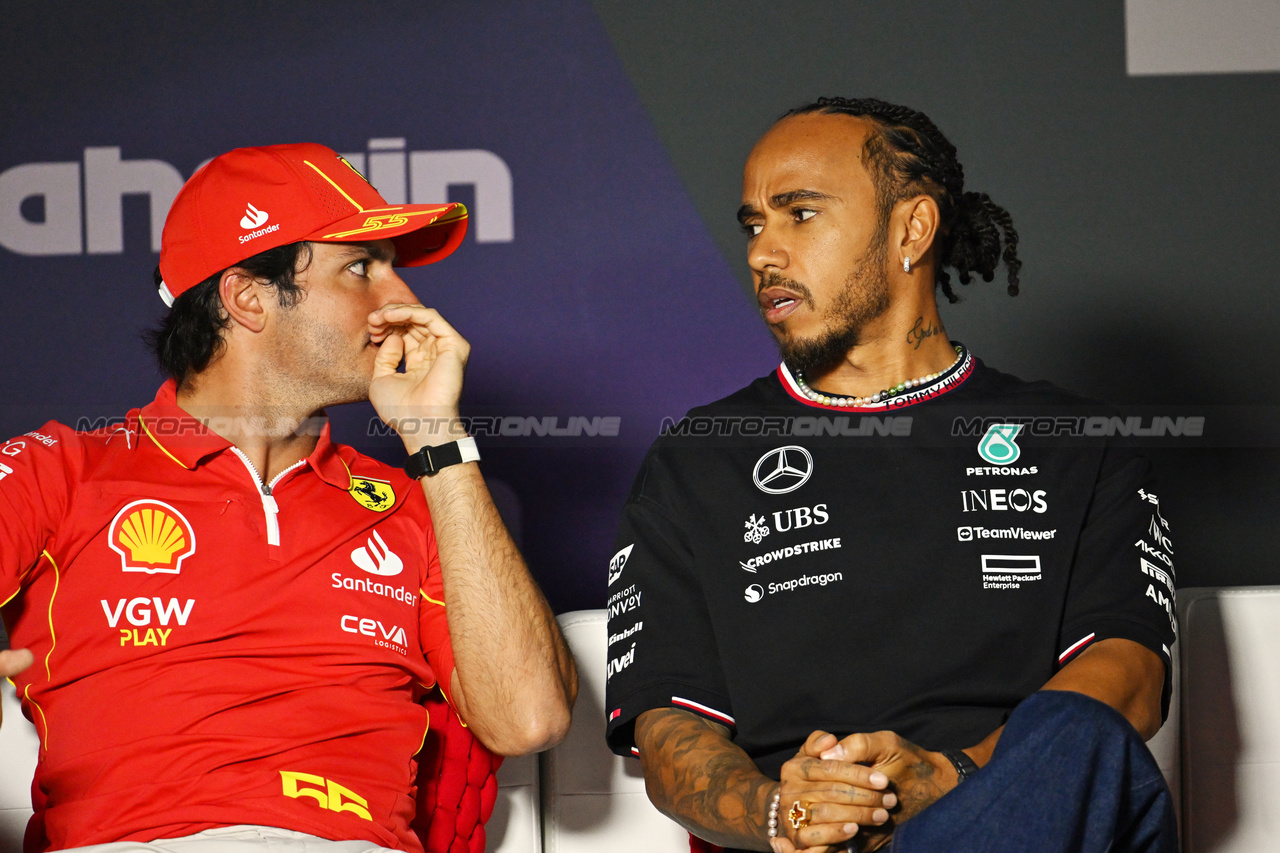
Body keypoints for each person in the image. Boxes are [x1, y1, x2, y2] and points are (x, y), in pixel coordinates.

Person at [603, 98, 1178, 852]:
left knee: (1078, 736)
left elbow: (1126, 681)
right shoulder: (697, 460)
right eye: (753, 224)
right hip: (810, 845)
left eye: (799, 214)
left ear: (912, 228)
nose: (761, 253)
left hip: (1024, 816)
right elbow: (670, 733)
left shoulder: (1078, 442)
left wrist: (952, 780)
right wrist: (789, 812)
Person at [0, 143, 577, 853]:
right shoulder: (60, 468)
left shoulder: (410, 502)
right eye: (361, 268)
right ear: (247, 297)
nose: (405, 302)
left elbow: (529, 719)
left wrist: (440, 439)